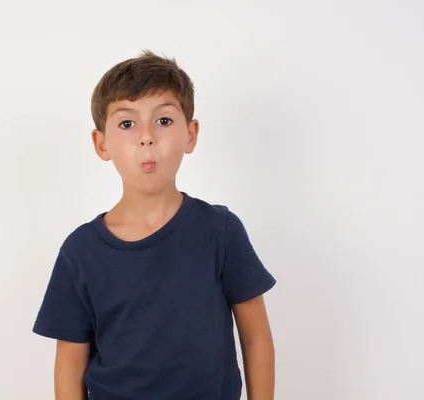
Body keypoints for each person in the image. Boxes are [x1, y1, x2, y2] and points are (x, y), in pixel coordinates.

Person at [32, 50, 277, 400]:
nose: (146, 137)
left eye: (163, 121)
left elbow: (256, 338)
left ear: (190, 134)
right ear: (101, 143)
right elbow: (69, 366)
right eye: (127, 123)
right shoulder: (80, 252)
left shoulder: (220, 231)